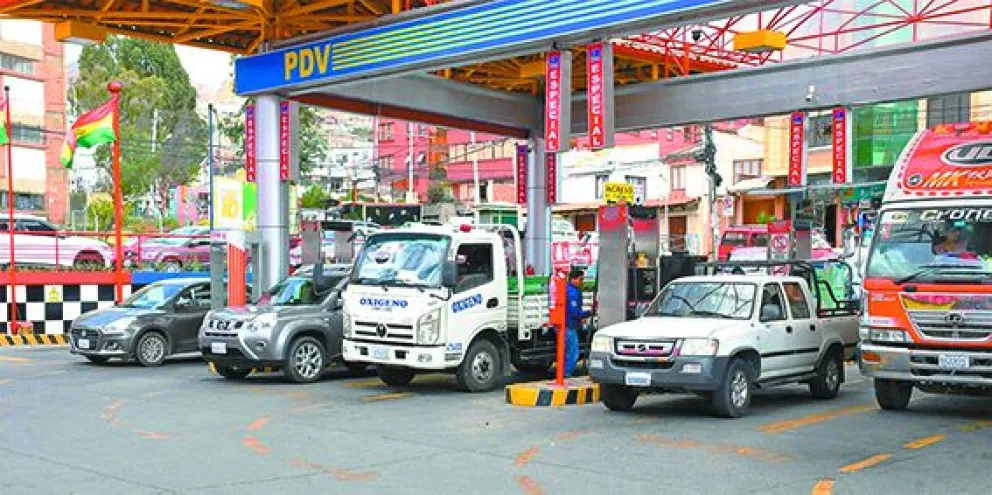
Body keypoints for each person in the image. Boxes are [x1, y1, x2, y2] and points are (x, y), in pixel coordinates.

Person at [564, 268, 593, 378]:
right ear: (573, 279)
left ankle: (564, 374)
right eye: (581, 279)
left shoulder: (568, 289)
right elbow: (574, 311)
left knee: (567, 352)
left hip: (566, 325)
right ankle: (567, 375)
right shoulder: (572, 293)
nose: (582, 282)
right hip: (569, 326)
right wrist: (588, 313)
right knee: (573, 353)